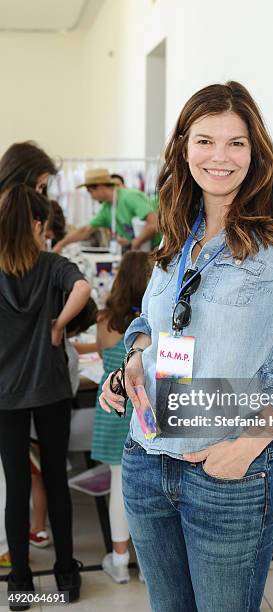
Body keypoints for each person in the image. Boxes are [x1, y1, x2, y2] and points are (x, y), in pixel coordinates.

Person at [100, 81, 273, 612]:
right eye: (205, 140)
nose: (220, 157)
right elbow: (155, 318)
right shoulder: (180, 222)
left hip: (228, 469)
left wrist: (247, 446)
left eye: (236, 142)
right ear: (184, 146)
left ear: (257, 150)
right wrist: (135, 356)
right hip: (147, 456)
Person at [0, 183, 90, 609]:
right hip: (51, 387)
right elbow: (84, 290)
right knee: (56, 479)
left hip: (4, 393)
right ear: (37, 224)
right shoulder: (53, 264)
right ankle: (65, 576)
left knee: (16, 486)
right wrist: (58, 327)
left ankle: (20, 584)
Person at [91, 251, 151, 584]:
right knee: (145, 489)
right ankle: (145, 563)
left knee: (119, 483)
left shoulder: (105, 321)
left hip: (114, 407)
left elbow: (102, 354)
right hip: (144, 407)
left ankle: (118, 559)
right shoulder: (155, 321)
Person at [29, 298, 98, 549]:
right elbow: (71, 390)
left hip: (28, 423)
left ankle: (37, 528)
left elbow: (72, 345)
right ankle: (38, 527)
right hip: (52, 425)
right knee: (44, 479)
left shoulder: (38, 339)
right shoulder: (68, 355)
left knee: (38, 478)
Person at [52, 168, 159, 252]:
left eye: (90, 192)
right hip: (140, 252)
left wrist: (135, 243)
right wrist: (61, 244)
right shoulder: (107, 208)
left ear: (100, 187)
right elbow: (86, 230)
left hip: (157, 250)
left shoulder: (130, 197)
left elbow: (153, 223)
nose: (91, 197)